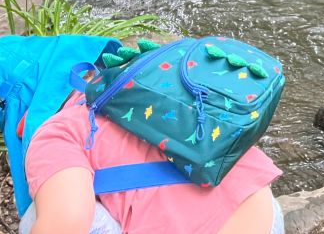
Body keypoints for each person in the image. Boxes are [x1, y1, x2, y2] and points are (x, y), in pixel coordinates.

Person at [19, 88, 283, 234]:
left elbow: (67, 222)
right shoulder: (143, 87)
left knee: (38, 215)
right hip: (265, 215)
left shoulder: (59, 129)